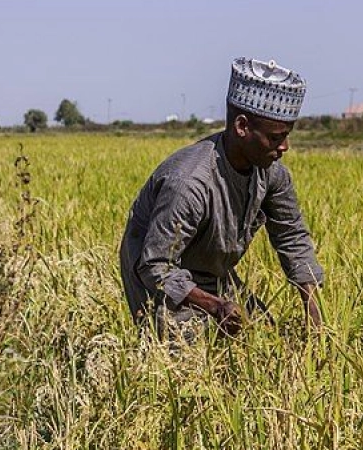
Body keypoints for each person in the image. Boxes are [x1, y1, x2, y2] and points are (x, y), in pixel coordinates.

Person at [119, 57, 324, 340]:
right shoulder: (190, 183)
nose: (285, 147)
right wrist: (216, 306)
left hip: (212, 272)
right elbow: (156, 267)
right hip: (157, 277)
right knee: (185, 360)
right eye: (276, 137)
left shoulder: (272, 174)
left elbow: (292, 237)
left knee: (262, 337)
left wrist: (313, 311)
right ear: (242, 127)